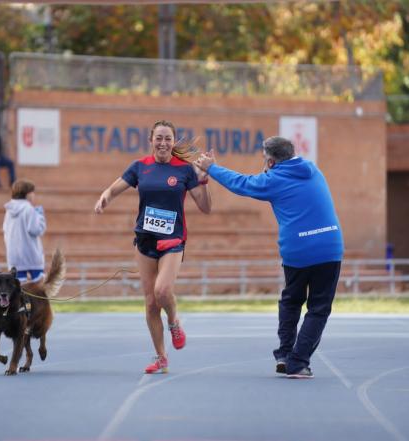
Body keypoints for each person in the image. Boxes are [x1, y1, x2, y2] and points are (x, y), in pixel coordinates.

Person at [195, 136, 343, 379]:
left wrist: (211, 167)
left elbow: (241, 183)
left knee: (291, 301)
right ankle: (299, 361)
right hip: (329, 246)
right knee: (318, 308)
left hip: (298, 250)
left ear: (272, 161)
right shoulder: (313, 170)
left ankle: (287, 356)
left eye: (265, 160)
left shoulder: (273, 179)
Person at [94, 120, 212, 374]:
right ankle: (161, 357)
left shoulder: (185, 170)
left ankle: (174, 322)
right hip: (145, 240)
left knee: (162, 290)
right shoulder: (140, 167)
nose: (163, 143)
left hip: (173, 240)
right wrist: (105, 197)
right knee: (149, 303)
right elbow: (115, 188)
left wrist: (203, 181)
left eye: (168, 138)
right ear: (151, 140)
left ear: (173, 142)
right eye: (159, 138)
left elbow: (205, 207)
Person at [3, 179, 46, 283]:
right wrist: (40, 216)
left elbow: (5, 229)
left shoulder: (9, 211)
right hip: (31, 255)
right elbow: (36, 230)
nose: (34, 195)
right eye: (32, 192)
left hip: (14, 256)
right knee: (39, 290)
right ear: (27, 194)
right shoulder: (28, 209)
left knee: (19, 290)